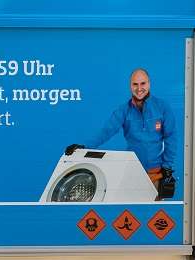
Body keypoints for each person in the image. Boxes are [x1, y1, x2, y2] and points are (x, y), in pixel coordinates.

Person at [65, 68, 177, 198]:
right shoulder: (123, 110)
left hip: (156, 173)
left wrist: (167, 166)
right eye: (135, 84)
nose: (139, 88)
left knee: (154, 210)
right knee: (130, 209)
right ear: (130, 86)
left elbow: (171, 137)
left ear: (149, 84)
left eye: (143, 83)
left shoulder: (162, 107)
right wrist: (84, 146)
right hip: (133, 171)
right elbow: (106, 131)